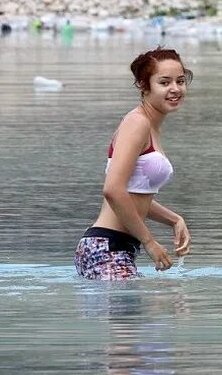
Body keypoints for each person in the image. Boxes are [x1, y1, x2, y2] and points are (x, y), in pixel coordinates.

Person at [74, 48, 192, 280]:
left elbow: (133, 194)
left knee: (140, 316)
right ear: (143, 85)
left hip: (115, 247)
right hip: (106, 248)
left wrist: (174, 219)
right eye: (164, 82)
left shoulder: (150, 126)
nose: (175, 89)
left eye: (180, 81)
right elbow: (113, 190)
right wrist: (149, 242)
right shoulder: (136, 123)